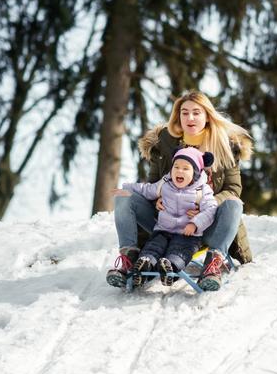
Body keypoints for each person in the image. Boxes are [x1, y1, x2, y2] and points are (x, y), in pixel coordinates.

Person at [106, 91, 253, 291]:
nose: (190, 118)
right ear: (178, 116)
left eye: (196, 112)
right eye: (184, 113)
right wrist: (157, 198)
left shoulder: (225, 145)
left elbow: (233, 189)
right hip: (166, 224)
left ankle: (213, 265)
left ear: (207, 116)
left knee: (234, 204)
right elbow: (153, 184)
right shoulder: (164, 142)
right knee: (125, 198)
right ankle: (129, 258)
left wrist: (203, 206)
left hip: (205, 227)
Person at [112, 147, 218, 288]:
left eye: (186, 169)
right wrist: (126, 187)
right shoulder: (165, 184)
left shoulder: (202, 191)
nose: (179, 171)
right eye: (176, 167)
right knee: (153, 247)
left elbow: (211, 210)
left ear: (196, 173)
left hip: (187, 235)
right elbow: (146, 189)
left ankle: (170, 269)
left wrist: (195, 224)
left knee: (179, 252)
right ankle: (145, 266)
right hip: (162, 230)